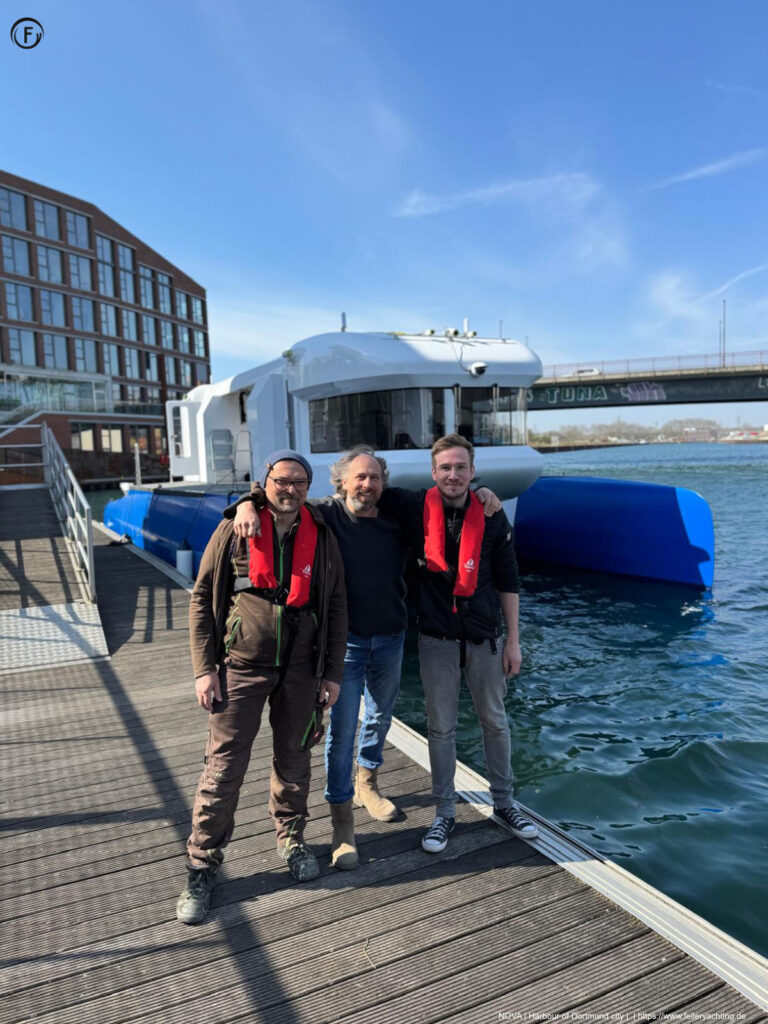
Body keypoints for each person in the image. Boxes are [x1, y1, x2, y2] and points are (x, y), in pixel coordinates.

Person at [229, 446, 501, 871]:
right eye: (359, 477)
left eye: (375, 477)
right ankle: (342, 822)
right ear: (341, 482)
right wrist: (247, 502)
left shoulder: (397, 514)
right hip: (345, 643)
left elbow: (450, 494)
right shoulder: (325, 514)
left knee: (380, 717)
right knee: (340, 731)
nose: (368, 484)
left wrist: (483, 491)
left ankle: (367, 781)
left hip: (391, 636)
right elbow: (282, 499)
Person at [176, 450, 347, 925]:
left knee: (295, 759)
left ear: (308, 488)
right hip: (240, 666)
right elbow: (201, 598)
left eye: (299, 482)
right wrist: (204, 669)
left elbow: (336, 606)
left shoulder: (323, 536)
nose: (289, 489)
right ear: (264, 482)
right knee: (223, 767)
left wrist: (332, 672)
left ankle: (291, 839)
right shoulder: (236, 527)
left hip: (302, 668)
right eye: (281, 481)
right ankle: (202, 864)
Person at [379, 433, 538, 853]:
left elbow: (508, 580)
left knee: (495, 722)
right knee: (441, 728)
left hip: (486, 638)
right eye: (445, 468)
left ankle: (504, 803)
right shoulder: (412, 505)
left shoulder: (491, 513)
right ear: (433, 472)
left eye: (461, 467)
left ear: (472, 471)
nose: (453, 475)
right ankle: (444, 812)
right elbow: (363, 492)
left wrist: (514, 642)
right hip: (437, 638)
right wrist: (251, 502)